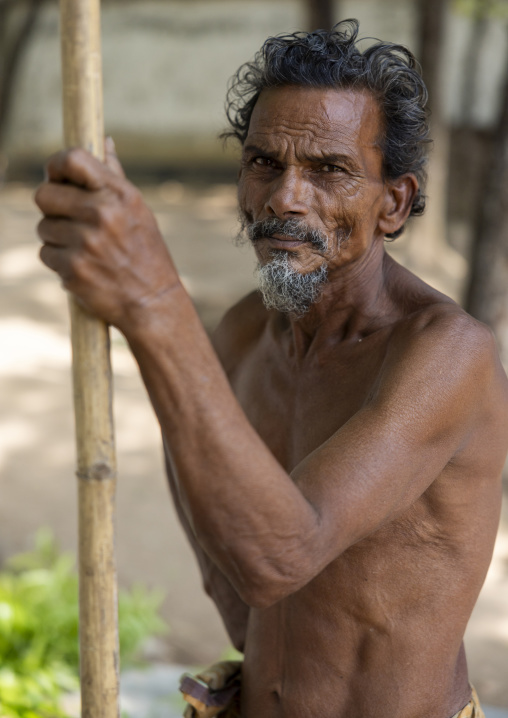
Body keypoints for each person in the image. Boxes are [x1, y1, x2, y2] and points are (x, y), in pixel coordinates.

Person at [35, 20, 508, 718]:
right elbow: (218, 540)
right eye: (264, 164)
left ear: (395, 203)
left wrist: (154, 302)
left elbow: (283, 554)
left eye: (329, 170)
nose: (287, 197)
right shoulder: (243, 334)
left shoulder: (446, 354)